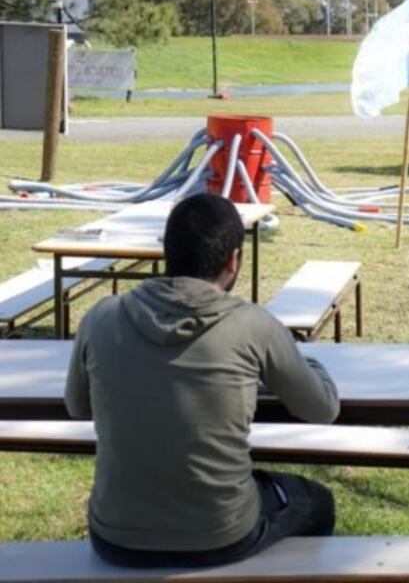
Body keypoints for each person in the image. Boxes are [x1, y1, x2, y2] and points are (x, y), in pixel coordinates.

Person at [65, 193, 340, 567]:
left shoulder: (101, 317)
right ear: (234, 259)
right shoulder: (253, 325)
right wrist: (313, 365)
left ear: (166, 250)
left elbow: (76, 406)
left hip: (115, 536)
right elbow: (322, 408)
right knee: (316, 502)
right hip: (221, 534)